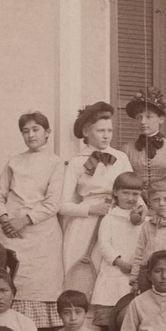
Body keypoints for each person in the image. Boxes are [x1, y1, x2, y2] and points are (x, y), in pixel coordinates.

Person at [0, 111, 66, 330]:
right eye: (25, 131)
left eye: (36, 129)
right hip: (8, 231)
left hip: (40, 234)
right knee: (9, 279)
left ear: (47, 132)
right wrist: (5, 220)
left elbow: (53, 203)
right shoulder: (14, 161)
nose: (31, 135)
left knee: (38, 285)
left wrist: (23, 221)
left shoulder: (56, 163)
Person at [60, 101, 133, 296]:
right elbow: (63, 205)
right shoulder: (76, 163)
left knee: (113, 273)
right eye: (101, 130)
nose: (106, 135)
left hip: (117, 221)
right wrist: (91, 209)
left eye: (109, 130)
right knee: (84, 279)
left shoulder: (121, 158)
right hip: (85, 227)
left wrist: (140, 209)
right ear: (86, 132)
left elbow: (134, 189)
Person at [91, 172, 145, 328]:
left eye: (135, 194)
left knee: (130, 317)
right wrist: (119, 261)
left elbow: (144, 244)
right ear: (116, 192)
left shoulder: (142, 220)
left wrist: (136, 265)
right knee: (108, 319)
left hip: (133, 274)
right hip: (113, 271)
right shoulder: (110, 218)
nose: (130, 198)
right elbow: (104, 244)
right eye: (125, 193)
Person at [122, 87, 166, 196]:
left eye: (149, 117)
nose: (143, 122)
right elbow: (121, 183)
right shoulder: (127, 149)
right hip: (135, 203)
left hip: (163, 204)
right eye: (139, 117)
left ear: (161, 119)